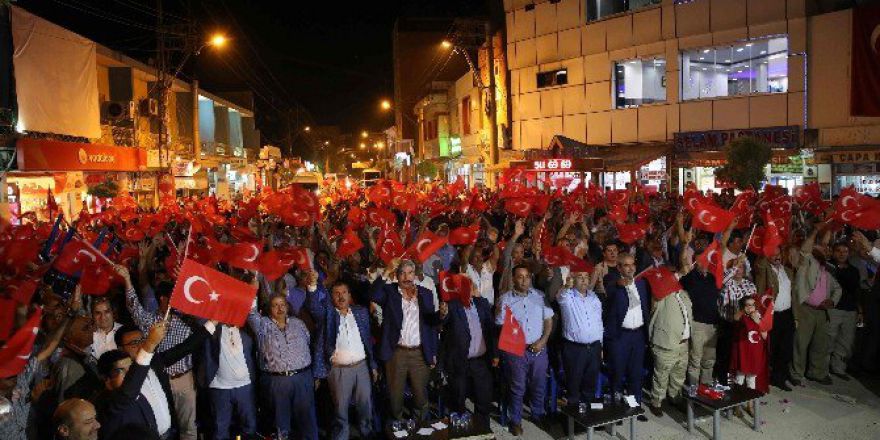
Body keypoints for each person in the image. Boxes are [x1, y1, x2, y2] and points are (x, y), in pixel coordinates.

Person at [114, 265, 213, 440]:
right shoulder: (151, 322)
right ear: (162, 299)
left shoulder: (187, 321)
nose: (178, 303)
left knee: (189, 426)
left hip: (184, 380)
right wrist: (128, 280)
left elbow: (204, 319)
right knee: (165, 423)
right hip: (161, 380)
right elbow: (134, 307)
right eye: (173, 298)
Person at [370, 259, 445, 421]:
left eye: (410, 273)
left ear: (415, 274)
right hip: (396, 353)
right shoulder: (390, 292)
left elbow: (431, 324)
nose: (406, 277)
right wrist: (385, 272)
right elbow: (373, 295)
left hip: (419, 353)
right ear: (396, 276)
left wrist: (441, 316)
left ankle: (419, 427)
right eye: (402, 273)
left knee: (420, 395)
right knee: (395, 396)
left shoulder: (426, 293)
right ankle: (397, 427)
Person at [308, 281, 377, 440]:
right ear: (331, 297)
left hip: (362, 367)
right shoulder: (328, 315)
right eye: (336, 293)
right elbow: (314, 308)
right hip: (338, 370)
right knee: (340, 409)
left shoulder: (361, 313)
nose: (341, 296)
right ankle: (341, 436)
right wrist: (312, 287)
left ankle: (367, 433)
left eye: (344, 292)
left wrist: (372, 366)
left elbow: (367, 342)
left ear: (350, 295)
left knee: (365, 405)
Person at [248, 285, 318, 440]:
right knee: (281, 425)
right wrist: (253, 290)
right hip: (276, 382)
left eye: (282, 304)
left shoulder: (298, 323)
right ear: (269, 308)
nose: (280, 308)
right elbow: (251, 314)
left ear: (287, 307)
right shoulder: (263, 325)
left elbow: (308, 341)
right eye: (275, 305)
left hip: (303, 378)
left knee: (307, 421)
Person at [494, 265, 554, 436]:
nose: (524, 280)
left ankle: (537, 413)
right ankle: (516, 420)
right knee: (517, 387)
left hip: (538, 348)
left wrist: (543, 341)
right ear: (513, 279)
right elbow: (499, 324)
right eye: (520, 277)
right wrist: (499, 310)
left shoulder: (539, 296)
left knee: (539, 384)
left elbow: (548, 320)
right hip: (515, 350)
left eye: (527, 276)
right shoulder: (505, 299)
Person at [94, 321, 167, 440]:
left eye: (130, 368)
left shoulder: (139, 396)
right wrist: (149, 344)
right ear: (106, 380)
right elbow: (126, 394)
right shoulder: (108, 404)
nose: (129, 375)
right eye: (121, 371)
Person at [791, 226, 841, 386]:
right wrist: (815, 231)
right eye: (823, 247)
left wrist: (832, 301)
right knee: (801, 344)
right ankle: (797, 374)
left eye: (828, 248)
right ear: (815, 247)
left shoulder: (827, 268)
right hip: (805, 310)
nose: (826, 250)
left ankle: (816, 373)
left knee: (821, 345)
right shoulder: (807, 260)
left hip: (821, 312)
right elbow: (806, 249)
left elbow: (838, 288)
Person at [442, 274, 495, 418]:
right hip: (459, 362)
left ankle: (483, 433)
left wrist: (495, 354)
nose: (467, 288)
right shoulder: (451, 306)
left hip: (481, 362)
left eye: (469, 285)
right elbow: (441, 319)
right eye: (463, 285)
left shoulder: (482, 303)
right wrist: (442, 313)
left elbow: (491, 330)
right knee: (458, 403)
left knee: (483, 402)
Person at [198, 319, 258, 440]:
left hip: (245, 386)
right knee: (220, 429)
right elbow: (199, 319)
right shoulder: (214, 328)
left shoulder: (247, 329)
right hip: (219, 387)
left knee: (250, 426)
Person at [647, 263, 693, 417]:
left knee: (679, 374)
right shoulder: (660, 295)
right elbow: (656, 299)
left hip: (683, 343)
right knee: (661, 375)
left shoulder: (683, 293)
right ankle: (657, 402)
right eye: (670, 275)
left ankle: (674, 397)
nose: (674, 278)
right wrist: (677, 274)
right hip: (666, 343)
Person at [554, 270, 603, 407]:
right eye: (579, 277)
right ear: (574, 280)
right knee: (573, 386)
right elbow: (559, 296)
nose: (583, 280)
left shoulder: (594, 297)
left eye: (586, 277)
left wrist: (601, 346)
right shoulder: (568, 297)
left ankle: (588, 419)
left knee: (590, 385)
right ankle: (573, 423)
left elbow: (599, 323)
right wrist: (566, 286)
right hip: (575, 349)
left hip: (594, 347)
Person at [754, 248, 796, 391]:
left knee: (786, 348)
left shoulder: (788, 271)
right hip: (772, 315)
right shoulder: (765, 270)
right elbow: (759, 265)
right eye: (773, 254)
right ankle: (774, 377)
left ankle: (783, 374)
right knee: (773, 348)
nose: (776, 257)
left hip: (787, 314)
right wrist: (767, 249)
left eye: (778, 254)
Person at [826, 242, 861, 380]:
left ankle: (838, 368)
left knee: (845, 342)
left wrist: (860, 311)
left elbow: (856, 291)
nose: (842, 254)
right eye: (839, 251)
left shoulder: (854, 270)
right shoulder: (828, 267)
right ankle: (823, 369)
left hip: (850, 310)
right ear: (833, 252)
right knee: (828, 340)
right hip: (834, 308)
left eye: (845, 251)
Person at [729, 297, 769, 416]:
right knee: (739, 379)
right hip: (743, 354)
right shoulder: (741, 317)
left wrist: (758, 321)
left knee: (751, 381)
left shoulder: (759, 318)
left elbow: (765, 336)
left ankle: (749, 405)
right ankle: (736, 405)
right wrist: (743, 311)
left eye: (752, 305)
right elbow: (735, 318)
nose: (750, 307)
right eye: (747, 305)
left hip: (755, 354)